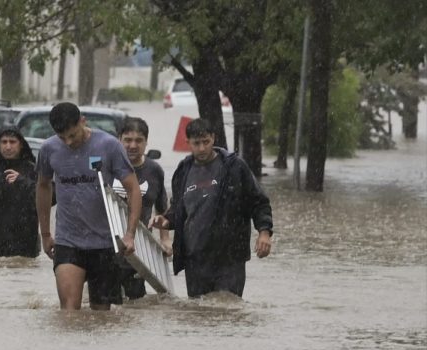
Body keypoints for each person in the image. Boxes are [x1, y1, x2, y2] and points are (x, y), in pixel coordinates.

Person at [35, 102, 143, 310]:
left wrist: (130, 234)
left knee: (101, 317)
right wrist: (46, 233)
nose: (68, 142)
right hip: (68, 240)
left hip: (104, 242)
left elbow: (133, 189)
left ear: (82, 121)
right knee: (69, 311)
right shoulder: (49, 149)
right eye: (62, 137)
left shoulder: (109, 145)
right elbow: (43, 186)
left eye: (72, 135)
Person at [150, 117, 273, 298]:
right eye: (196, 143)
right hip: (195, 258)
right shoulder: (183, 170)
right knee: (198, 313)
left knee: (228, 308)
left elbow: (258, 201)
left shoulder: (234, 167)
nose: (201, 148)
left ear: (213, 139)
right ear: (188, 143)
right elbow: (179, 208)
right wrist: (166, 220)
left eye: (206, 142)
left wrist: (264, 232)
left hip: (230, 258)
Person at [117, 117, 171, 299]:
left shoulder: (154, 171)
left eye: (139, 140)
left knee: (135, 306)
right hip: (105, 249)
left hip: (138, 252)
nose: (133, 145)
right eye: (128, 140)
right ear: (119, 140)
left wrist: (165, 240)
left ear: (146, 143)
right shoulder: (108, 166)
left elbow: (162, 209)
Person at [0, 126, 39, 257]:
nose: (8, 147)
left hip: (26, 243)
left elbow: (51, 198)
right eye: (4, 142)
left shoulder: (32, 170)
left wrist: (23, 182)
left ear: (21, 145)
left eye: (12, 142)